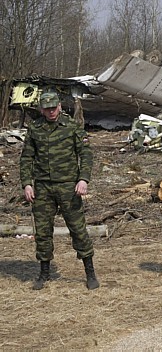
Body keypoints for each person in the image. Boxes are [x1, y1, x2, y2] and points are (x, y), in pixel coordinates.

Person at [19, 91, 99, 290]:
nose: (51, 112)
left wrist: (83, 179)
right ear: (41, 109)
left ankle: (90, 272)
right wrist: (27, 183)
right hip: (43, 188)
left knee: (78, 230)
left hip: (68, 187)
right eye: (47, 109)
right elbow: (27, 157)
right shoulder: (35, 128)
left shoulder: (72, 126)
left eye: (54, 108)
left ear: (60, 107)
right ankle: (44, 273)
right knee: (43, 232)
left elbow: (86, 154)